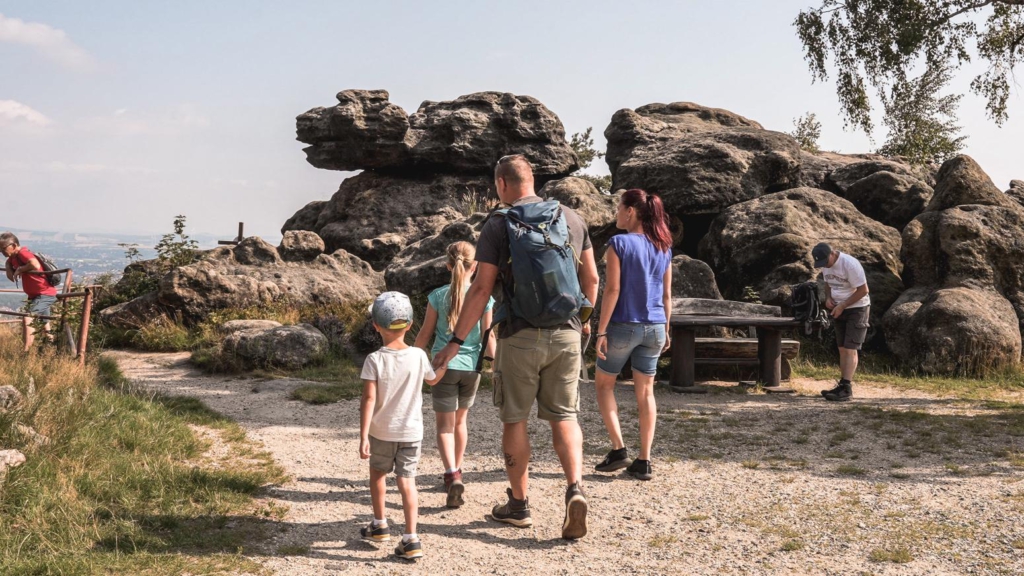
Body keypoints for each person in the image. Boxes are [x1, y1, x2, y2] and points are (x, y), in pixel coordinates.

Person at [432, 154, 599, 540]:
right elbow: (591, 278)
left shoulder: (498, 223)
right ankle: (574, 488)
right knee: (565, 417)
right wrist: (585, 321)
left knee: (515, 420)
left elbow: (481, 289)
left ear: (501, 184)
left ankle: (519, 505)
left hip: (519, 336)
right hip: (567, 332)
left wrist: (455, 341)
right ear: (532, 179)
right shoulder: (571, 218)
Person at [359, 291, 445, 560]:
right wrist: (444, 363)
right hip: (411, 433)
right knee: (407, 481)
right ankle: (411, 538)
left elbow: (368, 399)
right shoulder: (418, 355)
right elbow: (432, 380)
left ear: (376, 325)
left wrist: (363, 436)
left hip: (382, 431)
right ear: (410, 325)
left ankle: (380, 525)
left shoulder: (374, 359)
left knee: (378, 475)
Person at [593, 189, 673, 481]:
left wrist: (601, 330)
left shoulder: (619, 243)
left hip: (624, 325)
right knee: (646, 393)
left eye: (619, 207)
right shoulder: (664, 246)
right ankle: (644, 460)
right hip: (655, 326)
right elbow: (666, 294)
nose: (616, 213)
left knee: (604, 385)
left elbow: (612, 290)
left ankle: (618, 449)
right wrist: (666, 329)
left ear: (630, 211)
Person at [413, 241, 495, 509]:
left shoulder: (437, 296)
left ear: (448, 266)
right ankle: (457, 470)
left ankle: (451, 474)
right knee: (461, 422)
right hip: (472, 368)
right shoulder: (485, 298)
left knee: (444, 426)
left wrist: (411, 360)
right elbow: (489, 336)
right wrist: (495, 365)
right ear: (476, 266)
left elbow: (424, 335)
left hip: (442, 366)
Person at [812, 242, 870, 402]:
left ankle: (847, 388)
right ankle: (842, 385)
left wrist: (843, 305)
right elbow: (827, 283)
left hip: (857, 308)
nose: (825, 266)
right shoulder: (826, 265)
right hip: (838, 307)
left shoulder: (850, 264)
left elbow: (863, 290)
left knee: (851, 348)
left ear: (832, 253)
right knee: (842, 348)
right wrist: (828, 298)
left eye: (826, 262)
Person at [1, 232, 57, 352]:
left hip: (44, 294)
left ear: (14, 245)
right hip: (36, 295)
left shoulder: (23, 253)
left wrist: (21, 269)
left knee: (27, 318)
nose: (2, 252)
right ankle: (52, 349)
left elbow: (34, 264)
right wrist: (8, 264)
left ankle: (26, 352)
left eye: (3, 248)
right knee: (45, 324)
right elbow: (11, 278)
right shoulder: (13, 258)